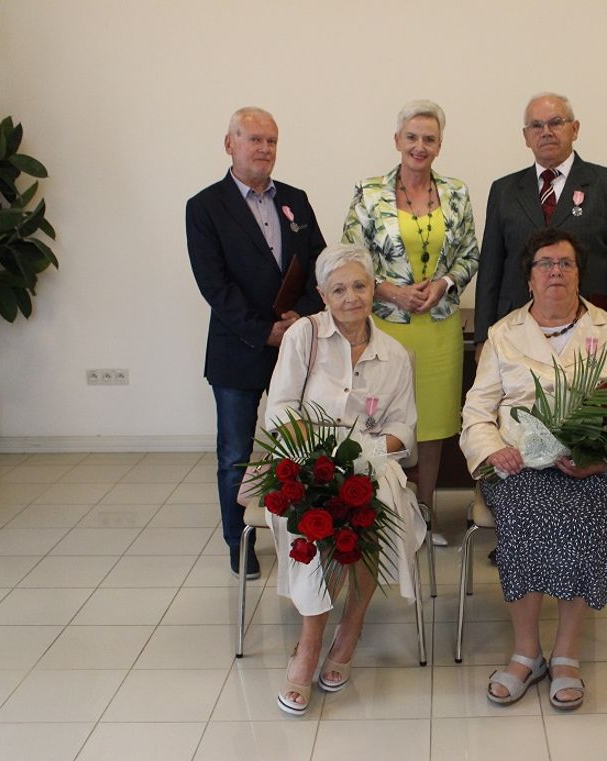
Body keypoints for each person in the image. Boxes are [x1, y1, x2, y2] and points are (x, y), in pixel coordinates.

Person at [460, 228, 607, 711]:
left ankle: (566, 654)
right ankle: (527, 652)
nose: (556, 273)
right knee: (526, 514)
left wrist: (594, 460)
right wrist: (492, 451)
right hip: (518, 463)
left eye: (566, 264)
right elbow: (477, 412)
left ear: (580, 275)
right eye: (545, 264)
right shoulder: (504, 334)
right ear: (529, 278)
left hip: (586, 467)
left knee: (583, 516)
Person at [264, 244, 424, 716]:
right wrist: (317, 459)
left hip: (369, 461)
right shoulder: (303, 335)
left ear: (374, 288)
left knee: (383, 510)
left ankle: (350, 628)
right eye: (339, 289)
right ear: (322, 294)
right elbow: (280, 407)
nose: (351, 297)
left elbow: (404, 429)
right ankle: (310, 643)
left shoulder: (395, 354)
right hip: (307, 459)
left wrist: (363, 457)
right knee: (316, 517)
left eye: (359, 285)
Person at [187, 107, 326, 579]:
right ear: (230, 144)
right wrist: (261, 329)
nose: (264, 149)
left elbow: (319, 265)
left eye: (271, 141)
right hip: (237, 349)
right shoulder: (204, 207)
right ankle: (238, 541)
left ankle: (305, 531)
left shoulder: (296, 200)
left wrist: (302, 313)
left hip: (297, 344)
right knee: (236, 454)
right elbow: (213, 283)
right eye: (253, 140)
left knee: (304, 445)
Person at [342, 100, 479, 546]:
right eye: (412, 137)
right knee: (383, 423)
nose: (420, 146)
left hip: (438, 326)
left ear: (440, 145)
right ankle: (380, 513)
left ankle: (425, 514)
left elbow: (470, 253)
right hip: (384, 327)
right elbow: (352, 257)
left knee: (435, 425)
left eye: (430, 139)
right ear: (397, 141)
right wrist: (389, 290)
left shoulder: (456, 192)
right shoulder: (369, 192)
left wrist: (443, 283)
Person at [473, 92, 607, 352]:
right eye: (537, 126)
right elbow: (489, 272)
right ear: (526, 136)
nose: (546, 132)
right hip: (515, 332)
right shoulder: (504, 190)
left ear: (574, 129)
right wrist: (482, 339)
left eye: (556, 122)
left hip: (591, 333)